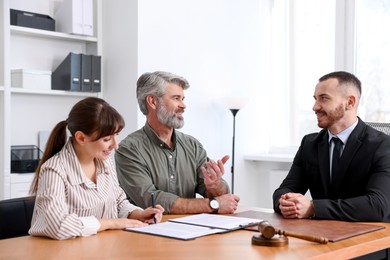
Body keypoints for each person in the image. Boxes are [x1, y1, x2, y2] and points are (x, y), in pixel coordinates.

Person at [29, 97, 164, 240]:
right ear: (81, 138)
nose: (115, 145)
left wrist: (138, 214)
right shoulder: (54, 170)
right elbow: (58, 226)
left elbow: (118, 202)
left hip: (103, 248)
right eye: (106, 139)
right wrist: (111, 223)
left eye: (116, 136)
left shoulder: (105, 162)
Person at [115, 71, 240, 214]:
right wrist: (212, 205)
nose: (183, 105)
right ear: (152, 101)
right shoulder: (129, 149)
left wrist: (215, 185)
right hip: (150, 231)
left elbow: (220, 198)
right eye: (176, 98)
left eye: (183, 98)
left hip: (194, 230)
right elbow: (152, 199)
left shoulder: (193, 146)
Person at [273, 71, 390, 222]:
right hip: (321, 234)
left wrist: (313, 208)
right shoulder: (309, 144)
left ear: (350, 102)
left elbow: (378, 206)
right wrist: (285, 203)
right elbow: (284, 189)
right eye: (315, 99)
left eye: (324, 98)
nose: (315, 107)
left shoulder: (383, 145)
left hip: (368, 238)